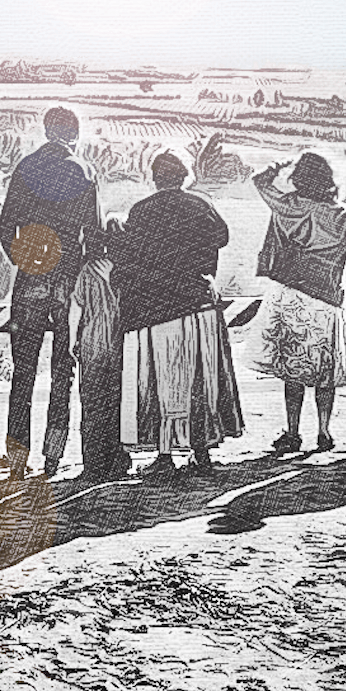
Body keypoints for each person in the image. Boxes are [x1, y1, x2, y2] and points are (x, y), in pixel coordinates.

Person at [247, 152, 346, 453]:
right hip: (326, 300)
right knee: (324, 371)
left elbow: (259, 183)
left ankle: (292, 432)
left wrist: (279, 165)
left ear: (299, 179)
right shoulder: (343, 216)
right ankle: (324, 432)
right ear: (329, 180)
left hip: (290, 297)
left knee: (293, 370)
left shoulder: (286, 206)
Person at [113, 151, 243, 476]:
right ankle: (202, 452)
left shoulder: (141, 211)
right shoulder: (200, 205)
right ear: (183, 176)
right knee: (197, 380)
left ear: (155, 179)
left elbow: (129, 258)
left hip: (156, 309)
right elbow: (221, 237)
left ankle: (165, 456)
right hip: (197, 305)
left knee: (162, 381)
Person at [0, 106, 99, 479]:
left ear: (45, 130)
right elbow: (96, 234)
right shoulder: (86, 171)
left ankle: (15, 462)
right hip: (68, 282)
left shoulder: (25, 168)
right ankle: (52, 457)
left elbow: (5, 225)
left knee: (21, 372)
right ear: (75, 133)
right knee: (63, 371)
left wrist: (26, 259)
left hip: (29, 282)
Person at [70, 226, 132, 482]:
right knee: (116, 402)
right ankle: (117, 460)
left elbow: (76, 306)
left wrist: (72, 340)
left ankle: (93, 464)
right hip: (118, 344)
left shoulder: (86, 272)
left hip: (92, 343)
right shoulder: (120, 272)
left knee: (92, 404)